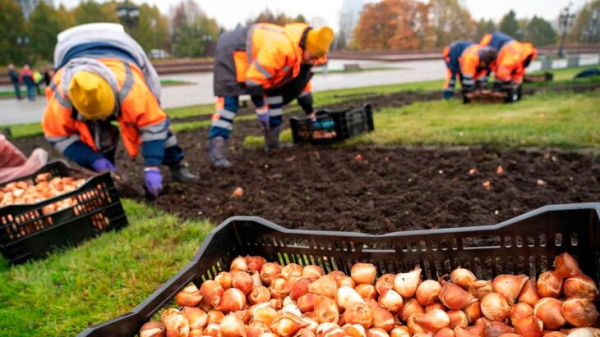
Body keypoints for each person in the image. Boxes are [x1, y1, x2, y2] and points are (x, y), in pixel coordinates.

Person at [42, 23, 198, 198]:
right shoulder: (61, 95)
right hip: (68, 48)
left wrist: (152, 166)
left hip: (123, 48)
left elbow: (154, 123)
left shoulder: (131, 87)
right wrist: (93, 159)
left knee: (157, 121)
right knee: (97, 135)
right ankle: (107, 175)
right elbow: (56, 134)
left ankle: (177, 166)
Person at [209, 22, 334, 168]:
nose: (312, 60)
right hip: (233, 53)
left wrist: (310, 113)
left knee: (275, 95)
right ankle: (217, 153)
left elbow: (302, 85)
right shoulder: (280, 48)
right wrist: (261, 109)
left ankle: (273, 144)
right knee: (228, 106)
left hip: (256, 67)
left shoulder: (302, 54)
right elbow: (254, 80)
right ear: (307, 47)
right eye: (312, 56)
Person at [481, 32, 538, 102]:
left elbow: (516, 71)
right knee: (487, 71)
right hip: (495, 44)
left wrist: (514, 83)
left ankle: (494, 90)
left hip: (501, 46)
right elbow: (502, 72)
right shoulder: (518, 56)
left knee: (494, 72)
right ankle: (485, 90)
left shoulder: (518, 57)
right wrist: (510, 82)